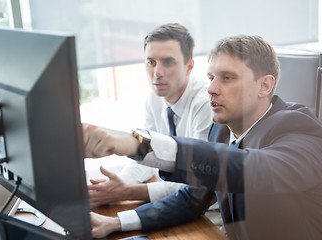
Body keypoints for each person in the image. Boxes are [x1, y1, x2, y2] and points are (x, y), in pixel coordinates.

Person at [83, 35, 322, 239]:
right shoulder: (221, 130)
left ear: (264, 86)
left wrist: (140, 145)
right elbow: (193, 198)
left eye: (227, 77)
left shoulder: (299, 129)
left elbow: (249, 167)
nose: (211, 88)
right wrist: (115, 222)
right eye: (211, 77)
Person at [88, 23, 212, 208]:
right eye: (151, 62)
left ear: (189, 66)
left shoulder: (206, 105)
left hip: (205, 213)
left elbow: (197, 184)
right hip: (172, 203)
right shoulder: (154, 100)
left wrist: (126, 191)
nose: (157, 73)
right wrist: (114, 185)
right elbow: (144, 157)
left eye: (168, 62)